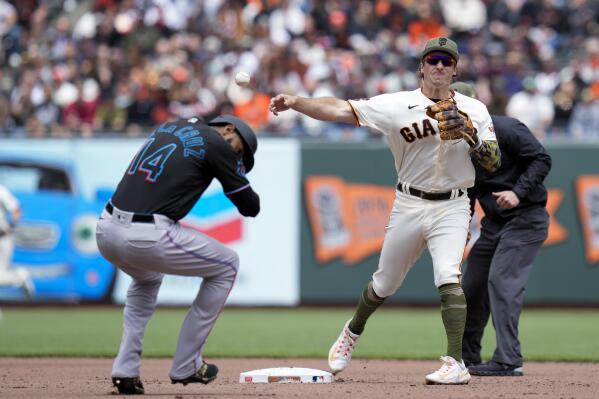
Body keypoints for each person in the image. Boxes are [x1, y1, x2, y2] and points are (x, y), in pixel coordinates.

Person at [270, 37, 501, 385]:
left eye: (447, 61)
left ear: (455, 70)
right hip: (409, 202)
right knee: (385, 282)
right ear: (421, 67)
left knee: (447, 275)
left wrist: (470, 134)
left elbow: (494, 162)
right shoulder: (397, 105)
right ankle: (353, 330)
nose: (440, 66)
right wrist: (297, 102)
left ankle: (456, 362)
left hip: (454, 204)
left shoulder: (475, 109)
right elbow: (340, 110)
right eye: (433, 60)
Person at [96, 115, 259, 395]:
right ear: (228, 129)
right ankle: (186, 364)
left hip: (106, 229)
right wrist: (234, 169)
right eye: (238, 147)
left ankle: (125, 369)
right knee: (227, 265)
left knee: (146, 281)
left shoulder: (171, 125)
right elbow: (250, 206)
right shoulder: (216, 143)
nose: (235, 153)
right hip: (146, 235)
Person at [450, 81, 552, 376]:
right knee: (471, 288)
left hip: (526, 217)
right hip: (494, 225)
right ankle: (466, 359)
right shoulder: (455, 146)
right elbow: (466, 195)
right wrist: (460, 234)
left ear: (476, 107)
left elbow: (541, 158)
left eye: (462, 107)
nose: (458, 114)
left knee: (501, 282)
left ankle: (509, 359)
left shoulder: (504, 128)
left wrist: (518, 192)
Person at [0, 183, 33, 298]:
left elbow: (16, 209)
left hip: (3, 238)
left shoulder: (1, 190)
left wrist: (11, 226)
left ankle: (21, 276)